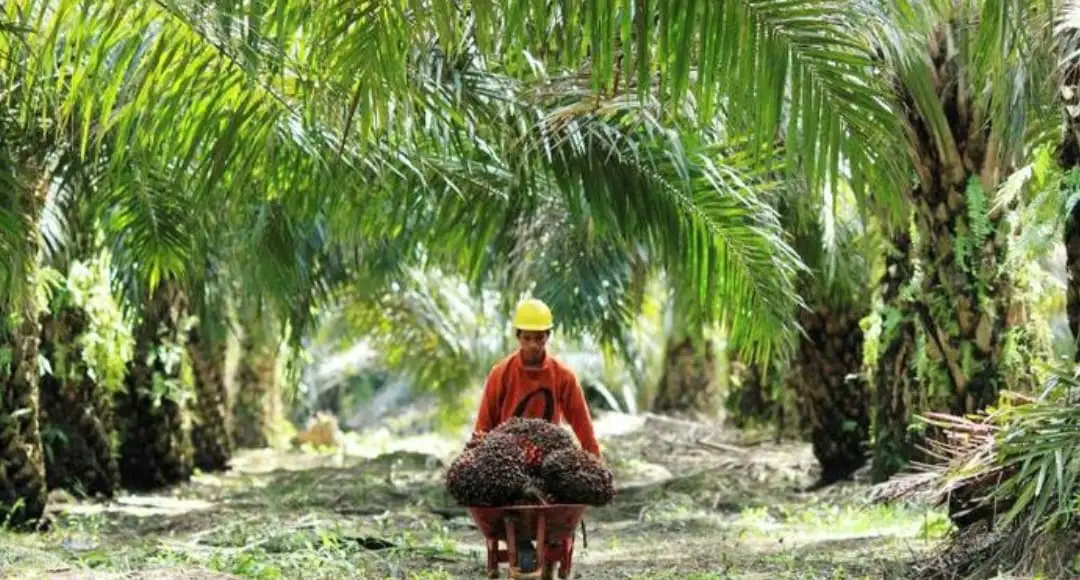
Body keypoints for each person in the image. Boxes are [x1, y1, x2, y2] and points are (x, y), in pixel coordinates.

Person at [470, 297, 602, 575]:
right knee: (505, 500)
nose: (533, 345)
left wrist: (595, 460)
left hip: (547, 459)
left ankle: (551, 555)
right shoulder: (501, 374)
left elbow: (581, 422)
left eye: (539, 338)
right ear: (518, 337)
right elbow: (485, 420)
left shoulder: (562, 376)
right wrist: (477, 452)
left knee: (556, 502)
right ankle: (519, 546)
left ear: (548, 337)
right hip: (508, 459)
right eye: (527, 338)